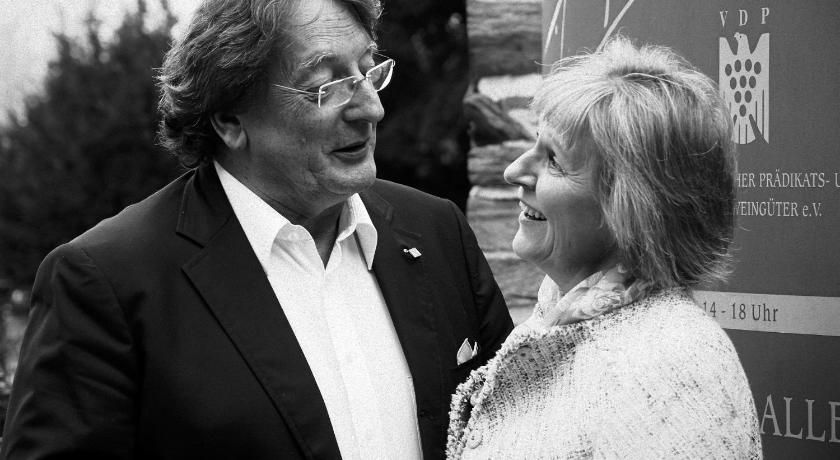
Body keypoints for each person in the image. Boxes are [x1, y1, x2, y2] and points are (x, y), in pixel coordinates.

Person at [2, 0, 513, 458]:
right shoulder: (107, 282)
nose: (370, 108)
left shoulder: (436, 232)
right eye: (327, 86)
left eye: (367, 70)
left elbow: (516, 428)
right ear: (229, 120)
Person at [447, 37, 762, 459]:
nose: (514, 170)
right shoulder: (560, 318)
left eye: (553, 160)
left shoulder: (669, 366)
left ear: (632, 207)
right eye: (534, 142)